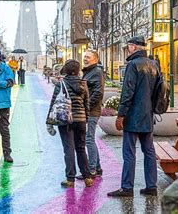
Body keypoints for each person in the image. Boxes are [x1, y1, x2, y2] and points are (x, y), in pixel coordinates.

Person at [107, 36, 159, 197]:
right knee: (149, 151)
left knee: (129, 152)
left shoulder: (133, 65)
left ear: (135, 47)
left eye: (129, 46)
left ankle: (127, 187)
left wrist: (120, 115)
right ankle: (151, 186)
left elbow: (127, 92)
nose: (128, 48)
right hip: (148, 114)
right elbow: (159, 90)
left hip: (133, 116)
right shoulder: (154, 64)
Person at [46, 59, 94, 188]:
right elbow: (87, 104)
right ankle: (87, 177)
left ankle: (70, 179)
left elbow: (54, 103)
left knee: (69, 149)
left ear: (65, 70)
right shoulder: (83, 84)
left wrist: (49, 122)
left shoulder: (61, 84)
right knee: (81, 148)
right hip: (81, 120)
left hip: (65, 119)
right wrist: (86, 119)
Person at [76, 50, 105, 180]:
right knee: (90, 138)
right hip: (89, 110)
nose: (85, 59)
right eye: (85, 57)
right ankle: (97, 168)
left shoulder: (97, 72)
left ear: (95, 60)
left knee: (89, 139)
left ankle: (92, 169)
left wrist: (86, 106)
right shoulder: (88, 71)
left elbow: (98, 93)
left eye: (88, 57)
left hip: (92, 111)